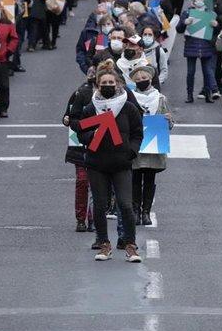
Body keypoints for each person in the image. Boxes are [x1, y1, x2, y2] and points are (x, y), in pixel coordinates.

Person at [74, 66, 143, 263]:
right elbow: (80, 132)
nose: (107, 86)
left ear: (118, 84)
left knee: (125, 205)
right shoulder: (90, 108)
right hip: (97, 163)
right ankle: (103, 243)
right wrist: (91, 136)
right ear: (97, 85)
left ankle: (130, 244)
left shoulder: (128, 107)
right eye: (103, 83)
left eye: (111, 83)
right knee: (100, 205)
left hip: (121, 163)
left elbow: (138, 132)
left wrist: (131, 151)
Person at [130, 65, 172, 225]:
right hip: (136, 145)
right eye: (138, 79)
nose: (141, 81)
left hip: (153, 146)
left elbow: (169, 125)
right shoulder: (130, 98)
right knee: (134, 178)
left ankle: (145, 211)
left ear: (150, 79)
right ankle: (135, 211)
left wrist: (168, 119)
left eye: (144, 78)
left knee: (149, 178)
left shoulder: (160, 98)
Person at [63, 68, 96, 232]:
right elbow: (68, 116)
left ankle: (94, 218)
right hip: (81, 146)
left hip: (103, 146)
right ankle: (81, 218)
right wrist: (67, 119)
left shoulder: (118, 94)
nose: (93, 74)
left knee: (99, 184)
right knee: (83, 181)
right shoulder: (80, 93)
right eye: (91, 71)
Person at [176, 0, 219, 103]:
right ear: (193, 1)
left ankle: (208, 94)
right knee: (191, 72)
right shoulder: (187, 13)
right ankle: (189, 95)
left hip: (206, 45)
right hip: (192, 45)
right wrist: (184, 22)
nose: (199, 1)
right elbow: (178, 29)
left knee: (207, 71)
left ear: (204, 0)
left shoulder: (210, 13)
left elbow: (217, 32)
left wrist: (216, 25)